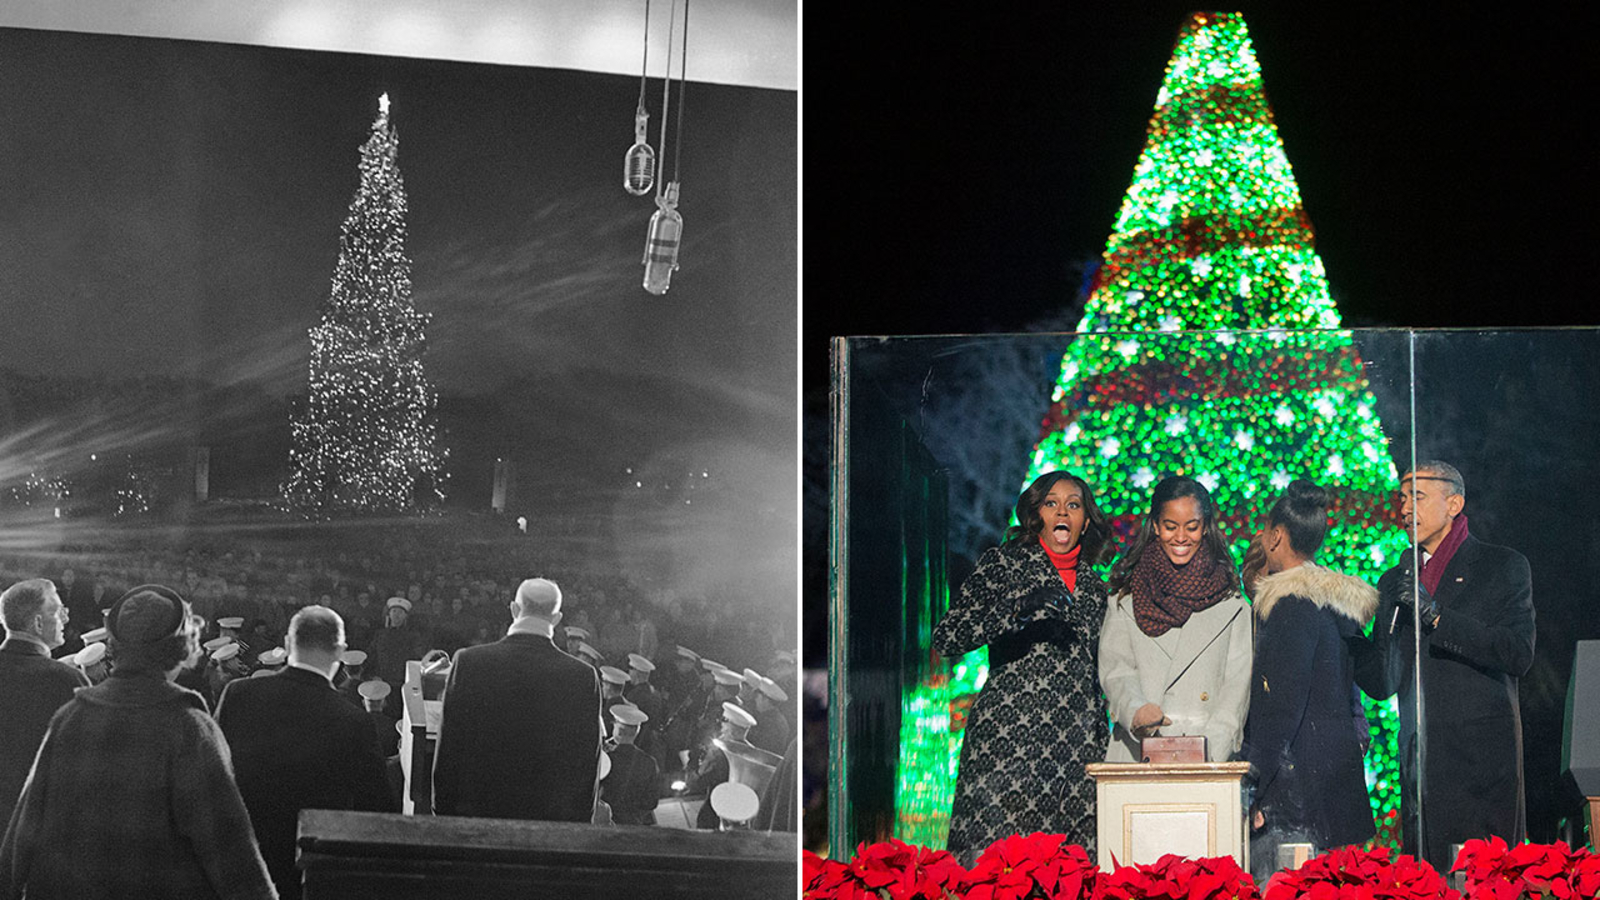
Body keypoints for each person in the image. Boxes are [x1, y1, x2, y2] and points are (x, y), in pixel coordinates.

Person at [0, 584, 276, 900]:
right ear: (180, 648)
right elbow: (229, 847)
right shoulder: (189, 727)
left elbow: (26, 826)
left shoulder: (71, 717)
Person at [1349, 461, 1534, 871]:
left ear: (1454, 503)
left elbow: (1517, 653)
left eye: (1417, 497)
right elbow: (1384, 681)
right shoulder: (1395, 579)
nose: (1403, 509)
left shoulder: (1502, 566)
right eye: (1401, 498)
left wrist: (1437, 616)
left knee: (1488, 882)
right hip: (1421, 769)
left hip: (1482, 766)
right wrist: (1345, 635)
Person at [931, 470, 1117, 864]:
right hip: (1009, 745)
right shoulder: (1004, 564)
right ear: (1036, 515)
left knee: (1068, 875)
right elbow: (948, 637)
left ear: (1085, 521)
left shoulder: (1098, 590)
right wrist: (1017, 610)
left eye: (1074, 504)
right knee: (994, 872)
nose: (1062, 511)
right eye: (1051, 503)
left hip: (1075, 753)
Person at [1240, 481, 1377, 881]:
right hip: (1334, 790)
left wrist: (1254, 787)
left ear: (1276, 536)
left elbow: (1280, 709)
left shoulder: (1288, 606)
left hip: (1294, 796)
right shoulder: (1335, 607)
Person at [215, 605, 396, 900]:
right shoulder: (354, 722)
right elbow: (379, 813)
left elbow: (213, 781)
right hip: (310, 877)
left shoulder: (238, 695)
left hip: (240, 868)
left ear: (287, 644)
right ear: (340, 652)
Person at [1100, 474, 1250, 763]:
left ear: (1205, 527)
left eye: (1191, 527)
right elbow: (1116, 669)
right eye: (1170, 526)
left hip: (1207, 762)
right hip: (1136, 757)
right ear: (1155, 526)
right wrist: (1136, 711)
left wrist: (1206, 755)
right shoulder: (1125, 599)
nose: (1181, 538)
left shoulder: (1232, 605)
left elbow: (1236, 691)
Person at [431, 577, 603, 821]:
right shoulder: (582, 677)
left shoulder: (469, 662)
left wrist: (444, 816)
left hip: (476, 821)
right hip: (548, 828)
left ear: (514, 609)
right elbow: (586, 765)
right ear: (557, 619)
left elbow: (449, 748)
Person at [0, 579, 90, 832]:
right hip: (41, 825)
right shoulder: (66, 679)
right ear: (38, 623)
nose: (65, 618)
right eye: (58, 610)